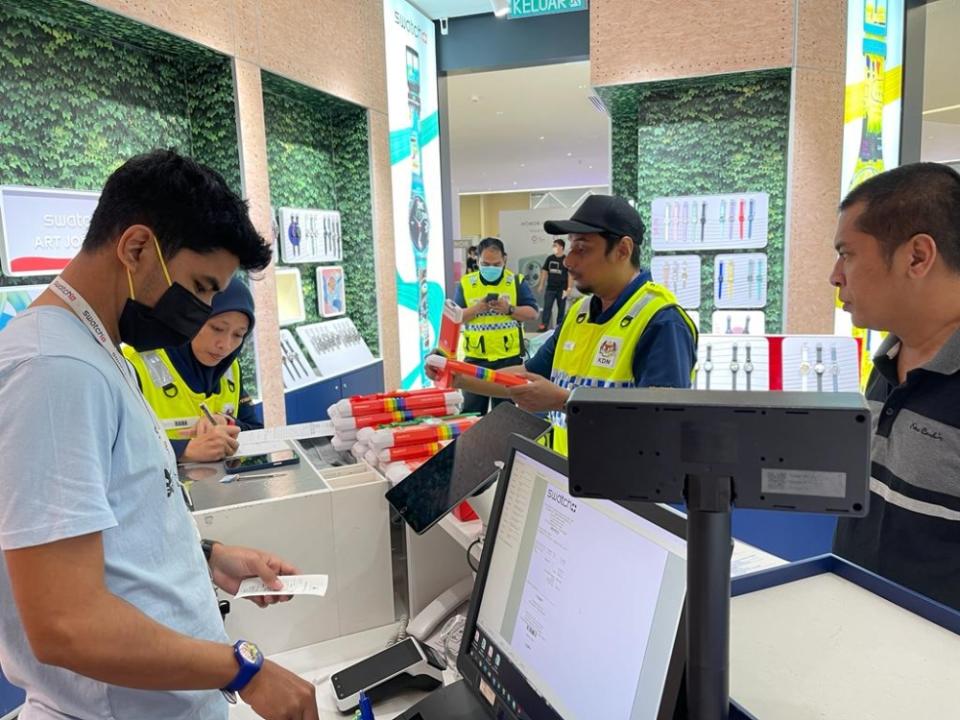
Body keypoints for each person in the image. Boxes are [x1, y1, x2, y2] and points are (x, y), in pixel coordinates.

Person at [0, 150, 319, 719]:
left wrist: (212, 558)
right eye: (199, 288)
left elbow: (108, 529)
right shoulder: (52, 369)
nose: (201, 315)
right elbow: (64, 624)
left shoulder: (99, 350)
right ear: (137, 248)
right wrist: (244, 668)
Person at [433, 195, 697, 454]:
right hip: (567, 483)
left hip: (621, 492)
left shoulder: (661, 322)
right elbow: (524, 377)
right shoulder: (579, 313)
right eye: (571, 248)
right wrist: (456, 375)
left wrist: (563, 401)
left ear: (623, 250)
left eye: (581, 248)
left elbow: (661, 426)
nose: (569, 261)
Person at [831, 162, 960, 611]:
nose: (835, 275)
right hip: (860, 631)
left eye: (847, 254)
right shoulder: (887, 363)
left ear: (918, 257)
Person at [122, 276, 263, 463]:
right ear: (191, 318)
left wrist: (227, 423)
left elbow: (257, 432)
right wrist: (181, 450)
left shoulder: (231, 368)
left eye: (238, 335)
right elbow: (111, 446)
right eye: (217, 328)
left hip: (218, 490)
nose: (226, 345)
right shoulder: (134, 362)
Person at [454, 236, 539, 415]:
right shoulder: (467, 283)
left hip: (509, 359)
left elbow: (532, 313)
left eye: (496, 264)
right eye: (486, 264)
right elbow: (457, 317)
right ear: (477, 260)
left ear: (504, 260)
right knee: (472, 414)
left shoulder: (516, 281)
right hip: (476, 359)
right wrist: (477, 308)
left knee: (505, 414)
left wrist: (509, 309)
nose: (491, 268)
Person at [536, 237, 573, 331]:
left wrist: (569, 288)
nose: (553, 247)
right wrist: (541, 284)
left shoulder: (566, 260)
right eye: (553, 246)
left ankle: (559, 327)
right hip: (550, 288)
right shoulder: (550, 258)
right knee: (547, 308)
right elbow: (544, 272)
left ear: (561, 247)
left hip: (562, 289)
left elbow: (570, 275)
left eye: (555, 246)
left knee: (561, 309)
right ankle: (544, 326)